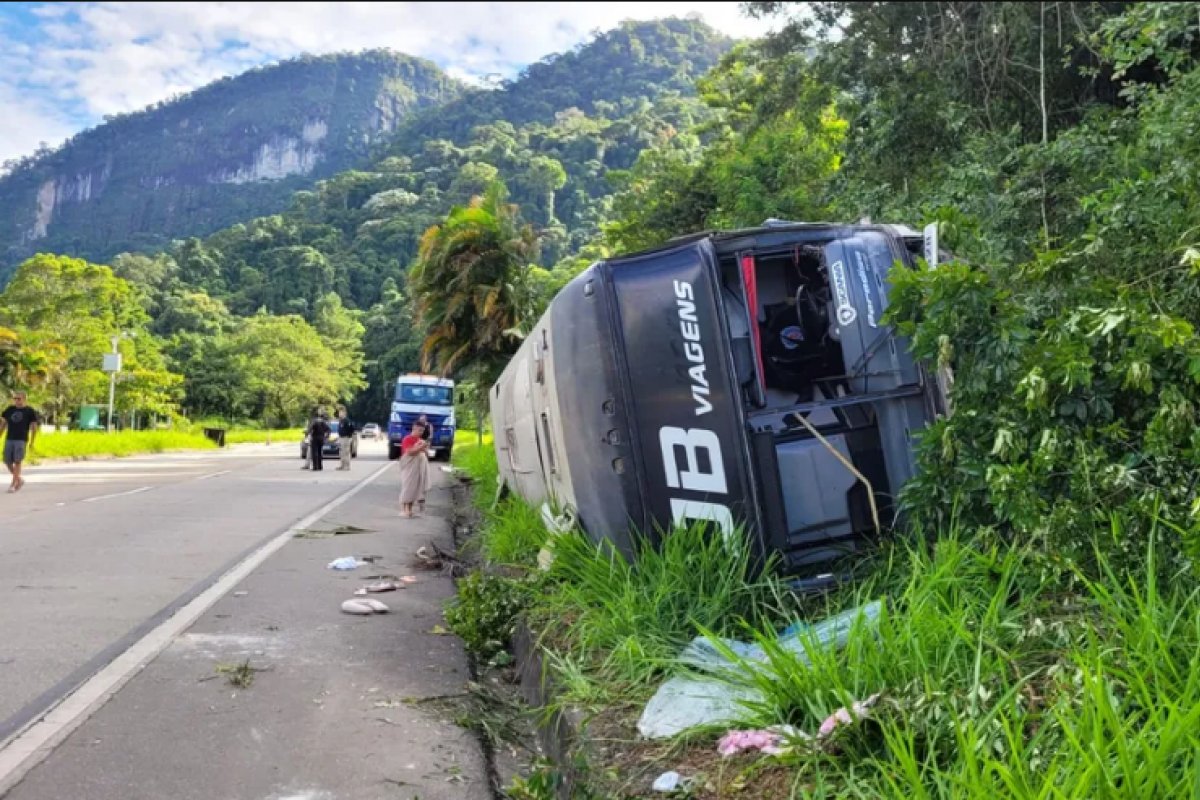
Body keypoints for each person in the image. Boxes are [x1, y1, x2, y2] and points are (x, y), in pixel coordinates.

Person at [1, 391, 39, 493]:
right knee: (7, 461)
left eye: (19, 399)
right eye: (15, 399)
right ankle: (19, 479)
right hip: (9, 438)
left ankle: (13, 484)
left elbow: (34, 427)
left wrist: (32, 442)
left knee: (17, 461)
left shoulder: (29, 411)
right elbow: (3, 424)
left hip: (21, 439)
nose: (17, 401)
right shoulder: (10, 409)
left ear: (24, 399)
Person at [398, 419, 430, 518]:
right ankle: (405, 510)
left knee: (415, 488)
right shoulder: (407, 439)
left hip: (418, 467)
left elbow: (426, 454)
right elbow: (409, 452)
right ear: (414, 428)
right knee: (408, 486)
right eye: (419, 430)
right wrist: (421, 447)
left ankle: (410, 510)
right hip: (409, 466)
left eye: (422, 431)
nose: (421, 432)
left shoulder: (420, 441)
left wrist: (425, 449)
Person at [336, 407, 356, 471]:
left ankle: (347, 466)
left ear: (344, 413)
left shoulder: (347, 421)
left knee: (346, 453)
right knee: (341, 453)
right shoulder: (341, 421)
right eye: (339, 413)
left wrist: (349, 435)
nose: (339, 414)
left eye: (340, 413)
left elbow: (352, 428)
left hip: (346, 438)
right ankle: (342, 465)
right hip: (341, 438)